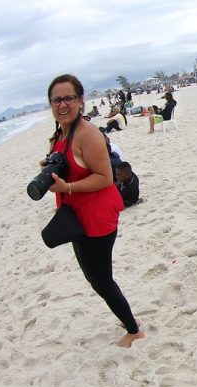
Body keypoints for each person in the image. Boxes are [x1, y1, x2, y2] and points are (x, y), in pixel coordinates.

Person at [41, 74, 143, 348]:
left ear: (80, 101)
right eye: (56, 100)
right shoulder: (60, 133)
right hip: (77, 217)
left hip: (96, 218)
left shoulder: (88, 134)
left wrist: (67, 186)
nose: (62, 104)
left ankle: (133, 330)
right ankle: (126, 317)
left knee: (101, 279)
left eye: (68, 98)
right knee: (94, 276)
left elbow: (105, 177)